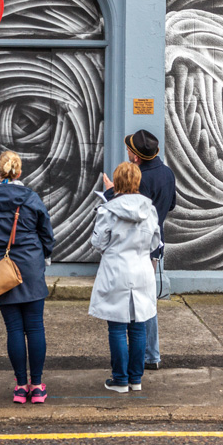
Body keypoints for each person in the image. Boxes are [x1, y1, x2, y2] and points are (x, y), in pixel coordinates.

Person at [0, 150, 54, 404]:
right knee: (35, 326)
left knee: (15, 329)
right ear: (19, 173)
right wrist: (43, 256)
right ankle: (37, 387)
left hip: (2, 270)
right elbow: (46, 234)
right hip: (30, 267)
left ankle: (20, 387)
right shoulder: (31, 197)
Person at [102, 129, 175, 370]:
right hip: (153, 245)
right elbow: (171, 204)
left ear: (135, 157)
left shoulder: (139, 179)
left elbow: (130, 211)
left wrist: (112, 193)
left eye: (129, 151)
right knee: (146, 300)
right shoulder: (167, 173)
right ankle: (151, 355)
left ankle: (141, 358)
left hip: (134, 249)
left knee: (130, 307)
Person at [90, 162, 160, 394]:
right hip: (142, 271)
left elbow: (98, 243)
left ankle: (120, 380)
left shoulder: (108, 210)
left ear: (116, 183)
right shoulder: (150, 209)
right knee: (139, 327)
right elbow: (154, 243)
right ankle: (135, 379)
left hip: (116, 271)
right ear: (138, 181)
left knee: (117, 328)